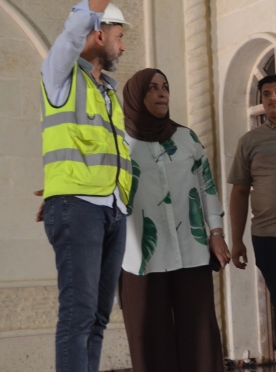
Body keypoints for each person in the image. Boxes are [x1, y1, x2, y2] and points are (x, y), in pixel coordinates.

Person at [38, 0, 151, 372]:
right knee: (79, 316)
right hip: (79, 209)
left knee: (100, 318)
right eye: (119, 37)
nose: (123, 47)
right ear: (98, 33)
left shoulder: (107, 92)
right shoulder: (60, 73)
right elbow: (74, 23)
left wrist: (55, 184)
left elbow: (93, 153)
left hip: (110, 209)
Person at [119, 68, 229, 372]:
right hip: (139, 254)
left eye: (165, 87)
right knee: (149, 338)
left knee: (200, 333)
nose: (162, 93)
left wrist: (216, 232)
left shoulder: (185, 138)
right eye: (153, 88)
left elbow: (207, 187)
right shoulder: (117, 141)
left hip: (190, 250)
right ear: (136, 96)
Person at [228, 74, 276, 372]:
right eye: (266, 93)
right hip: (267, 235)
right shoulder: (250, 140)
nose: (272, 98)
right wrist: (236, 240)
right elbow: (240, 191)